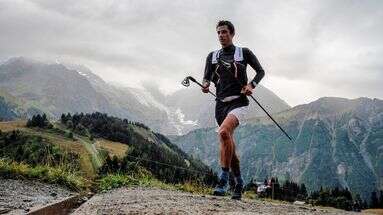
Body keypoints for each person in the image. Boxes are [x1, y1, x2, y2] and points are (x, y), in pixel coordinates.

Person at [201, 20, 265, 200]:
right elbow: (206, 78)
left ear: (232, 33)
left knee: (223, 132)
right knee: (227, 142)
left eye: (224, 32)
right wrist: (205, 85)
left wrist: (251, 85)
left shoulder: (243, 52)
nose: (221, 35)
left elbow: (260, 71)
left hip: (239, 102)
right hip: (220, 105)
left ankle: (223, 181)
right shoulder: (212, 56)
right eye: (219, 32)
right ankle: (239, 183)